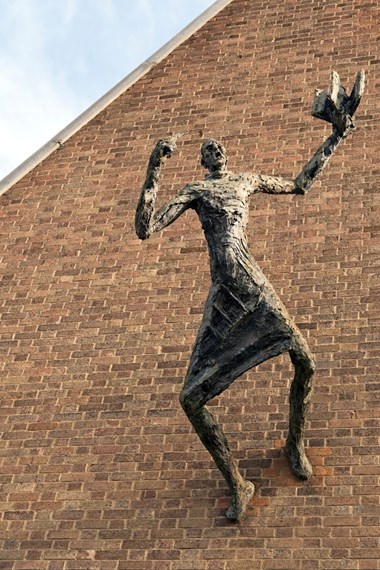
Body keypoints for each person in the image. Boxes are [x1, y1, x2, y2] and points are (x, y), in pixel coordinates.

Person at [135, 72, 364, 521]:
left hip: (254, 285)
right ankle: (237, 482)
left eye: (218, 146)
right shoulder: (196, 191)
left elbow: (299, 183)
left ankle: (294, 443)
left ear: (227, 155)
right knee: (191, 399)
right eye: (207, 149)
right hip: (224, 300)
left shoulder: (246, 182)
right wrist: (154, 167)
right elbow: (146, 228)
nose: (214, 149)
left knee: (306, 361)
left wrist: (336, 138)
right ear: (202, 161)